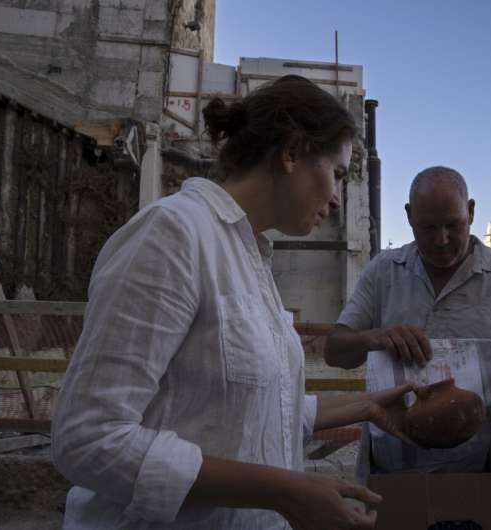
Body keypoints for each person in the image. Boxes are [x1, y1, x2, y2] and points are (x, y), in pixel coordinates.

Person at [52, 75, 416, 530]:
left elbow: (259, 412)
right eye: (337, 174)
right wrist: (282, 490)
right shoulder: (173, 235)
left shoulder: (250, 256)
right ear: (291, 152)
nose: (338, 198)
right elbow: (87, 438)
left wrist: (370, 406)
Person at [324, 166, 491, 473]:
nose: (441, 240)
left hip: (483, 472)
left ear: (472, 211)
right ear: (409, 216)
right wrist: (374, 338)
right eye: (427, 227)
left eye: (454, 224)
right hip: (390, 470)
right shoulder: (382, 272)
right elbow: (334, 352)